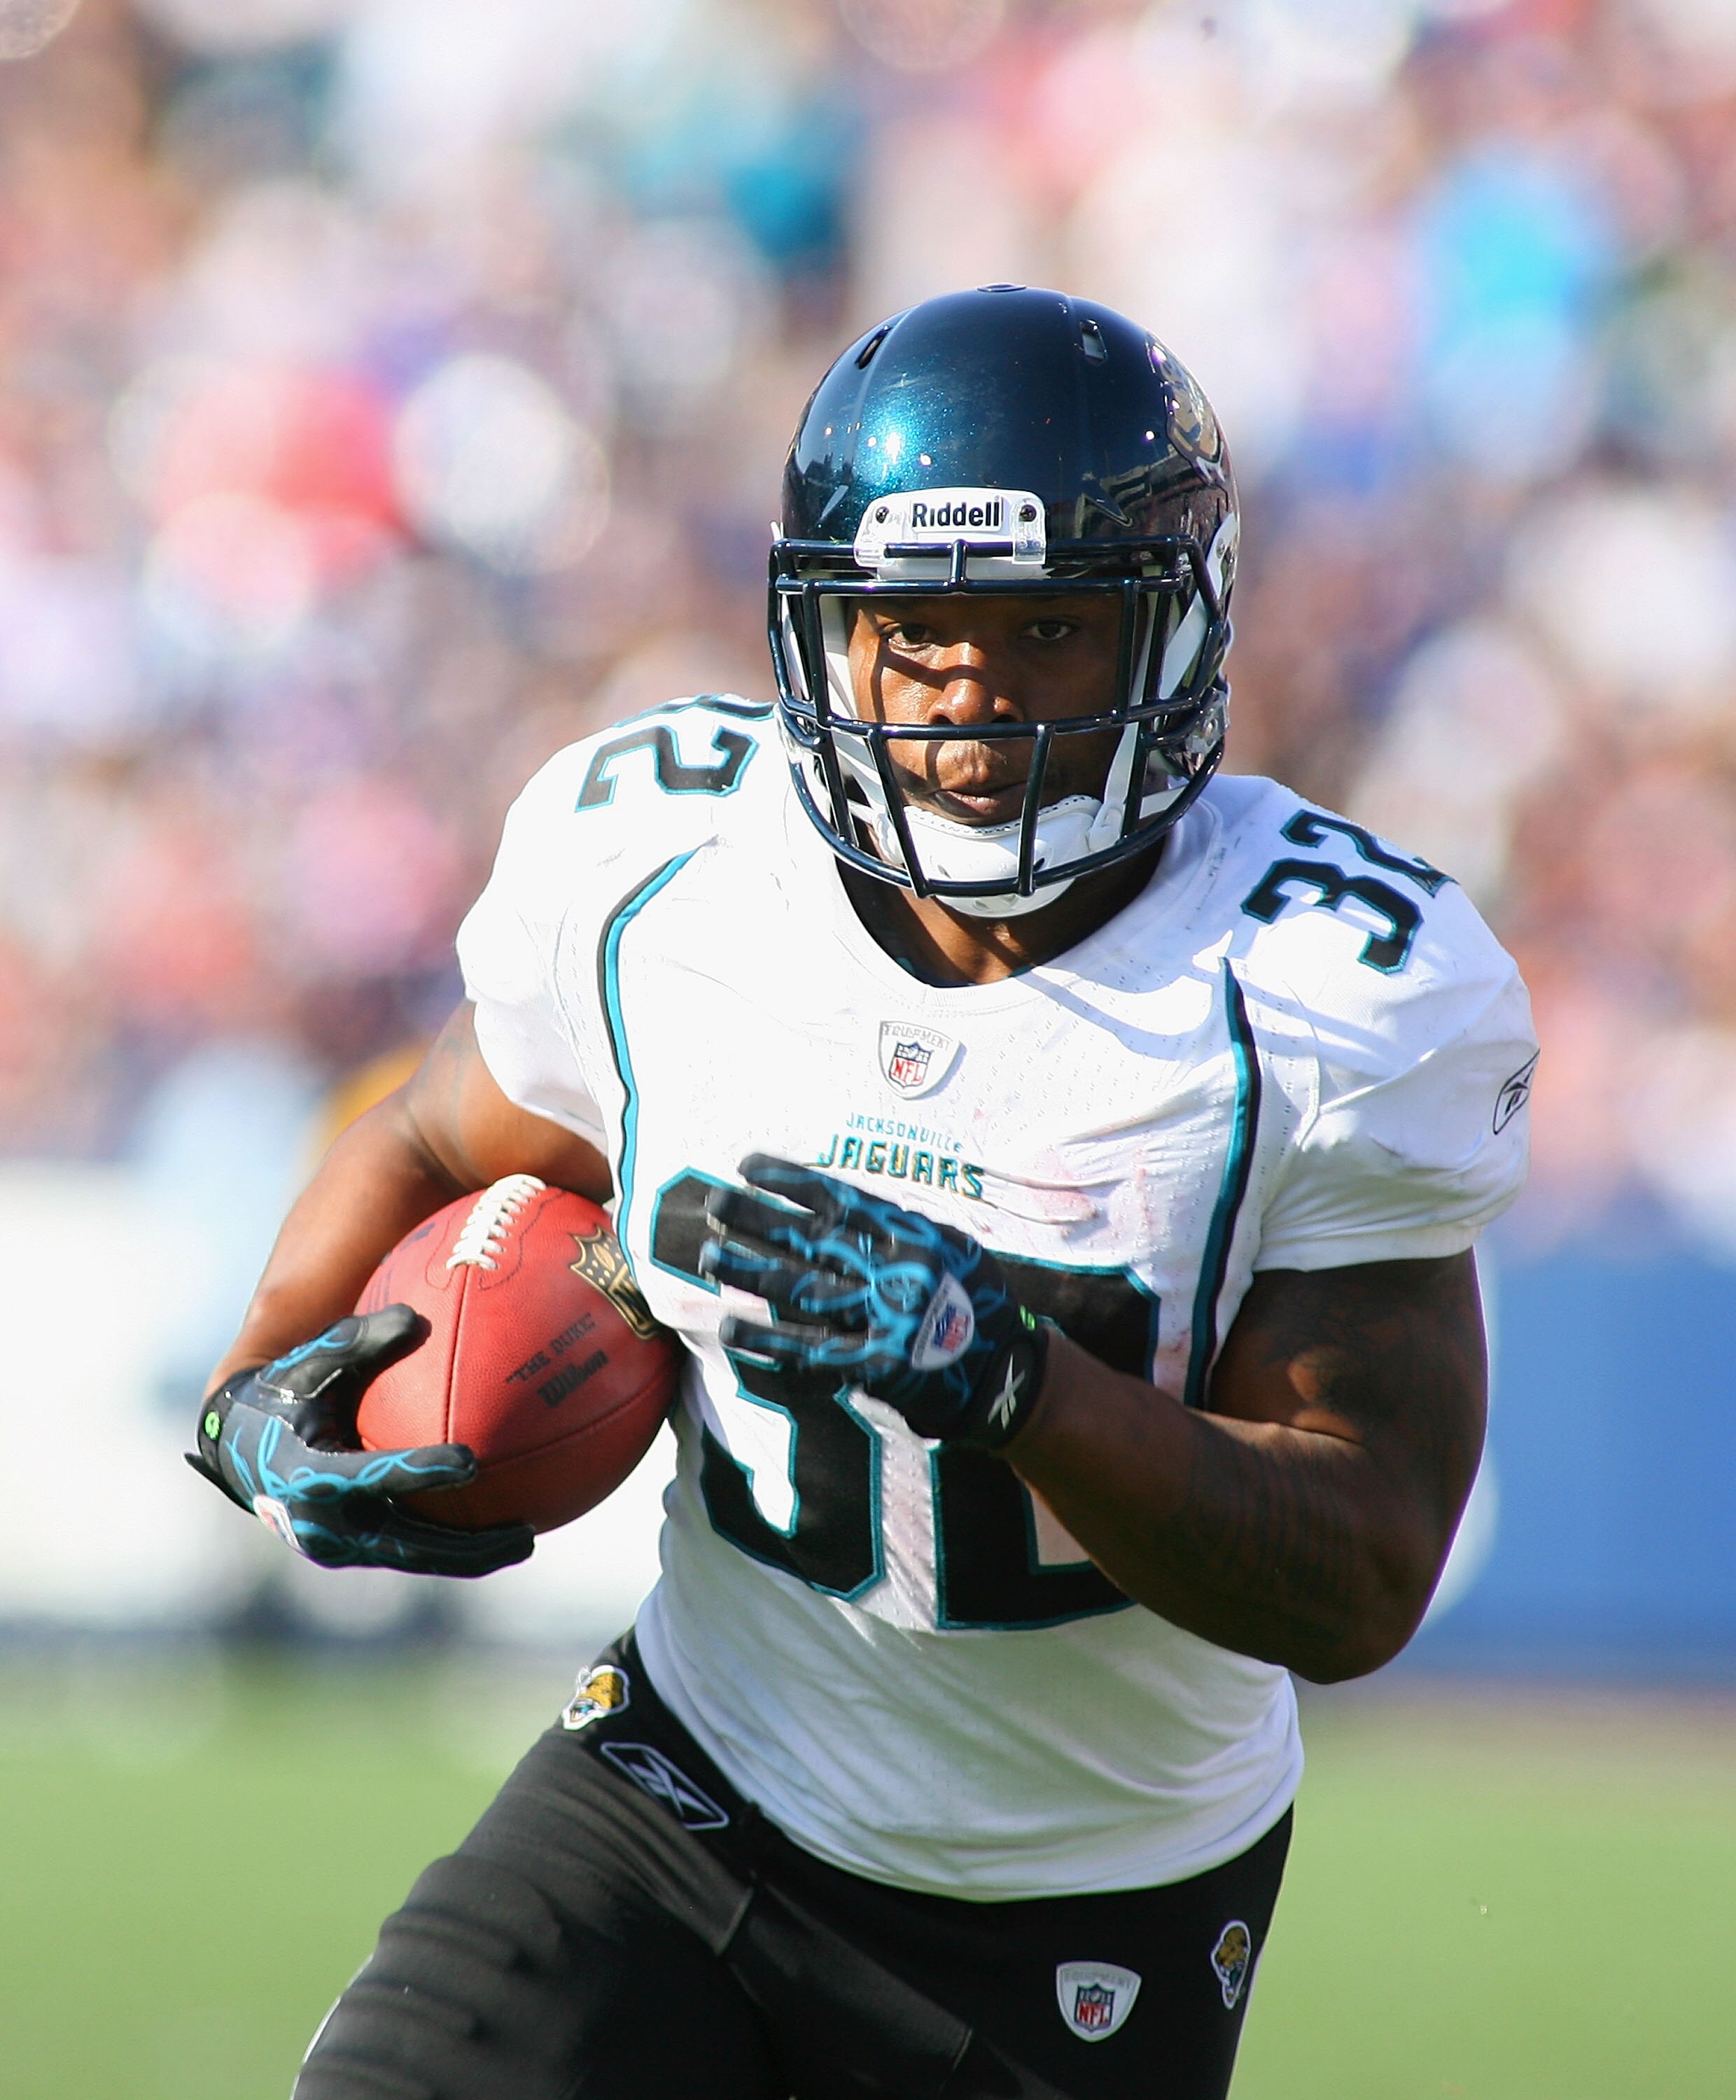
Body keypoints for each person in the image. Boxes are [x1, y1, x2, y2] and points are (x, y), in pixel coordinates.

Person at [189, 287, 1536, 2100]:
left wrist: (1015, 1387)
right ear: (820, 633)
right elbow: (433, 1141)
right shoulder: (662, 871)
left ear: (1181, 628)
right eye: (913, 633)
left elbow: (1360, 1571)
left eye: (1049, 628)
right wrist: (260, 1389)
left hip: (1080, 1911)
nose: (971, 693)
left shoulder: (1319, 990)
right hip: (681, 1788)